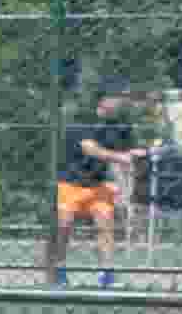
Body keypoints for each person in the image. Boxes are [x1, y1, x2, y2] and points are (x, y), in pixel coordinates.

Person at [51, 92, 151, 284]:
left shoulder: (120, 125)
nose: (121, 102)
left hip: (98, 185)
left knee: (105, 224)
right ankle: (60, 270)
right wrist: (121, 157)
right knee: (64, 226)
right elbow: (90, 149)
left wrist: (135, 156)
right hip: (69, 184)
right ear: (103, 101)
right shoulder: (82, 119)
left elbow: (127, 152)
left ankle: (107, 274)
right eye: (116, 97)